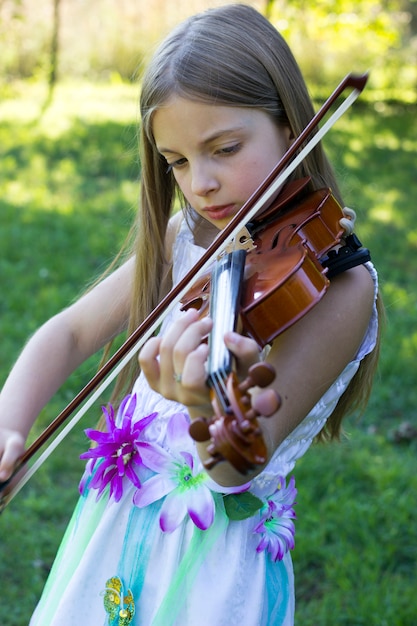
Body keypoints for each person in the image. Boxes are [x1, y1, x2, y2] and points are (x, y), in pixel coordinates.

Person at [0, 4, 381, 625]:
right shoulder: (190, 235)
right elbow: (67, 333)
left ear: (293, 126)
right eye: (176, 161)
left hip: (213, 567)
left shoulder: (338, 289)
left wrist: (203, 406)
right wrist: (9, 424)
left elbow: (240, 467)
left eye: (223, 149)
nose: (199, 183)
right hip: (115, 530)